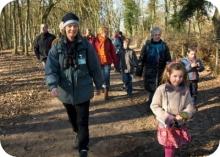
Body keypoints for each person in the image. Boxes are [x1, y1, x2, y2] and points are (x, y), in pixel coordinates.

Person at [45, 12, 103, 157]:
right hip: (66, 92)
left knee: (83, 119)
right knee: (73, 119)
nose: (72, 29)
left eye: (75, 26)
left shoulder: (86, 45)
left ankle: (83, 147)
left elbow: (94, 65)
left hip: (83, 89)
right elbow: (51, 68)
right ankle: (77, 132)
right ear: (64, 28)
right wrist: (52, 85)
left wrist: (99, 84)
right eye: (69, 26)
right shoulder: (56, 46)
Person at [150, 62, 196, 157]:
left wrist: (184, 114)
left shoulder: (185, 90)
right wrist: (167, 117)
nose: (178, 79)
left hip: (179, 124)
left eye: (180, 76)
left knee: (174, 143)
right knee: (169, 146)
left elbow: (190, 106)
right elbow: (154, 105)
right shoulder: (161, 89)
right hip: (166, 125)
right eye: (175, 76)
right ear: (168, 74)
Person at [138, 26, 171, 111]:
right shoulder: (147, 46)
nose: (157, 36)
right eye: (155, 35)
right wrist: (139, 71)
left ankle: (159, 106)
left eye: (159, 34)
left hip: (161, 70)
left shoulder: (164, 45)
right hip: (150, 70)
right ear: (152, 35)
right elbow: (142, 58)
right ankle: (151, 105)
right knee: (151, 89)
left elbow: (168, 59)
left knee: (160, 88)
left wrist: (169, 70)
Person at [93, 26, 119, 100]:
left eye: (107, 32)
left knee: (107, 76)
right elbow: (92, 51)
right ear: (100, 32)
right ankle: (102, 87)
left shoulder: (109, 41)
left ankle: (106, 90)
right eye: (105, 32)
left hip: (107, 61)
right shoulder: (96, 40)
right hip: (98, 61)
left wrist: (115, 62)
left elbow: (112, 52)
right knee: (101, 76)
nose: (106, 33)